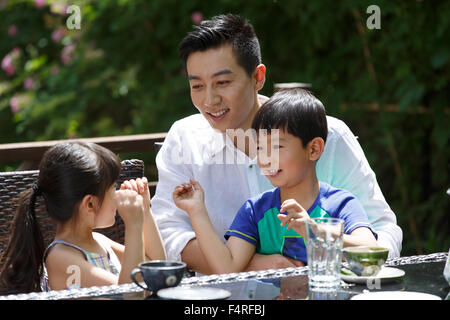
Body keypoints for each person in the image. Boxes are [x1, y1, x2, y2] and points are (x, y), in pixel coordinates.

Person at [151, 14, 402, 274]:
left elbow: (382, 229)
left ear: (258, 77)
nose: (209, 100)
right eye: (197, 86)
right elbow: (168, 232)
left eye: (222, 82)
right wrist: (250, 266)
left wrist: (330, 256)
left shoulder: (329, 134)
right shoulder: (185, 138)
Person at [173, 89, 378, 273]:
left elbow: (371, 254)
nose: (265, 158)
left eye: (277, 147)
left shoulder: (341, 204)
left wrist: (314, 231)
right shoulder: (255, 210)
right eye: (260, 148)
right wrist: (197, 211)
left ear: (314, 149)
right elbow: (227, 266)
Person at [0, 142, 166, 294]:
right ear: (90, 204)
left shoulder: (100, 241)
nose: (117, 194)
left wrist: (145, 211)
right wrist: (133, 224)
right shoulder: (61, 258)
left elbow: (158, 268)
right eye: (112, 188)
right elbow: (131, 295)